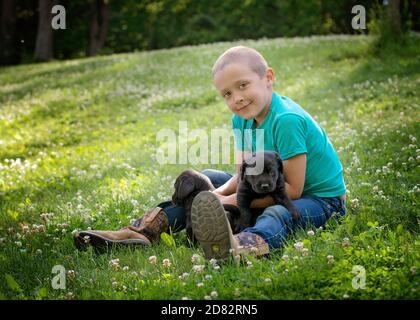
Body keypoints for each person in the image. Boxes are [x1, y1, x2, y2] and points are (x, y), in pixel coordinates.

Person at [74, 46, 346, 261]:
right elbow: (244, 174)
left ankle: (243, 246)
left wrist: (228, 201)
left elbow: (293, 191)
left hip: (320, 201)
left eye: (242, 85)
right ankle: (143, 232)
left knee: (276, 212)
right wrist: (216, 195)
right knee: (205, 181)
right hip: (269, 187)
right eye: (227, 94)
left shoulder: (285, 120)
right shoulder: (242, 117)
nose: (236, 98)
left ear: (268, 78)